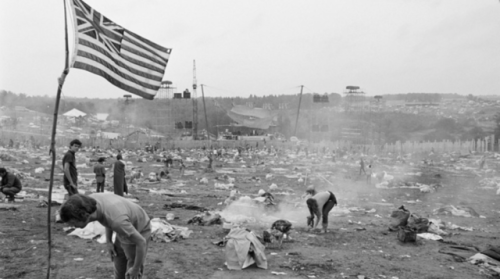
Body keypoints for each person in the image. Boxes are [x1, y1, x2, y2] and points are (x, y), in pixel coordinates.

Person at [60, 193, 151, 279]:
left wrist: (135, 268)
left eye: (72, 223)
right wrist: (109, 241)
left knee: (132, 272)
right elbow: (108, 218)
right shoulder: (89, 203)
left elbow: (141, 242)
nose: (72, 226)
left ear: (85, 215)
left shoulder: (118, 222)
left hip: (139, 228)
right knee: (119, 266)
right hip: (124, 226)